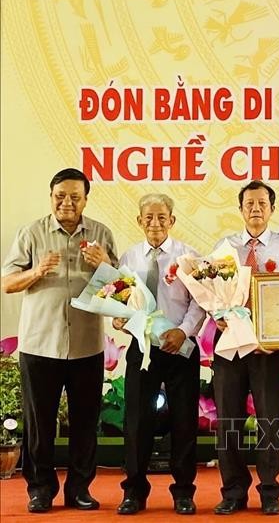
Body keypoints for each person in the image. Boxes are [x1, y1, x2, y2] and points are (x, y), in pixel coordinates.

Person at [1, 168, 117, 513]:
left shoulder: (100, 233)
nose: (67, 202)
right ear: (51, 196)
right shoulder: (32, 233)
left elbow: (120, 286)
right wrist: (37, 271)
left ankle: (80, 489)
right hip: (40, 344)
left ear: (85, 198)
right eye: (60, 196)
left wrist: (105, 263)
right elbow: (7, 282)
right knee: (40, 424)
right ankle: (40, 490)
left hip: (87, 344)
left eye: (74, 197)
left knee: (84, 423)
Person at [211, 180, 279, 516]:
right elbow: (209, 288)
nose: (256, 209)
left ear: (272, 209)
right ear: (240, 208)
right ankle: (233, 490)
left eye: (262, 203)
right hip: (230, 345)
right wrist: (217, 316)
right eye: (249, 203)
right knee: (228, 419)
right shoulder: (225, 245)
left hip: (269, 349)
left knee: (269, 421)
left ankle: (269, 491)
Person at [112, 194, 204, 515]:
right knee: (137, 421)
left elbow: (200, 300)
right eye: (148, 217)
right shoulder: (128, 258)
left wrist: (184, 331)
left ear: (172, 220)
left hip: (181, 348)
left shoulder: (189, 257)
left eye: (161, 217)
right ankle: (134, 491)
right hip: (142, 348)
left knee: (183, 422)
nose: (155, 223)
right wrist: (119, 318)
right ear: (139, 221)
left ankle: (183, 492)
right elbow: (121, 302)